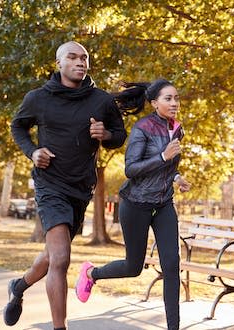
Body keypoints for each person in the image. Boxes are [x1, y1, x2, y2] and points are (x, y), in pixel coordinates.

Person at [4, 41, 127, 330]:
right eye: (72, 57)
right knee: (61, 258)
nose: (80, 62)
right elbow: (17, 126)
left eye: (84, 58)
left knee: (50, 256)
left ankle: (19, 286)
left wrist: (106, 133)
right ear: (59, 63)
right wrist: (32, 151)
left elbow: (120, 135)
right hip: (50, 185)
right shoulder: (38, 98)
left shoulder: (101, 100)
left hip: (81, 188)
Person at [75, 78, 191, 330]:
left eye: (176, 98)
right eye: (168, 98)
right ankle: (91, 274)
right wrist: (162, 156)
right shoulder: (142, 128)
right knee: (133, 267)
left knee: (171, 265)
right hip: (136, 204)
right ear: (154, 103)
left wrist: (177, 177)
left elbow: (168, 168)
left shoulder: (177, 128)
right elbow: (131, 169)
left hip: (163, 205)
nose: (174, 103)